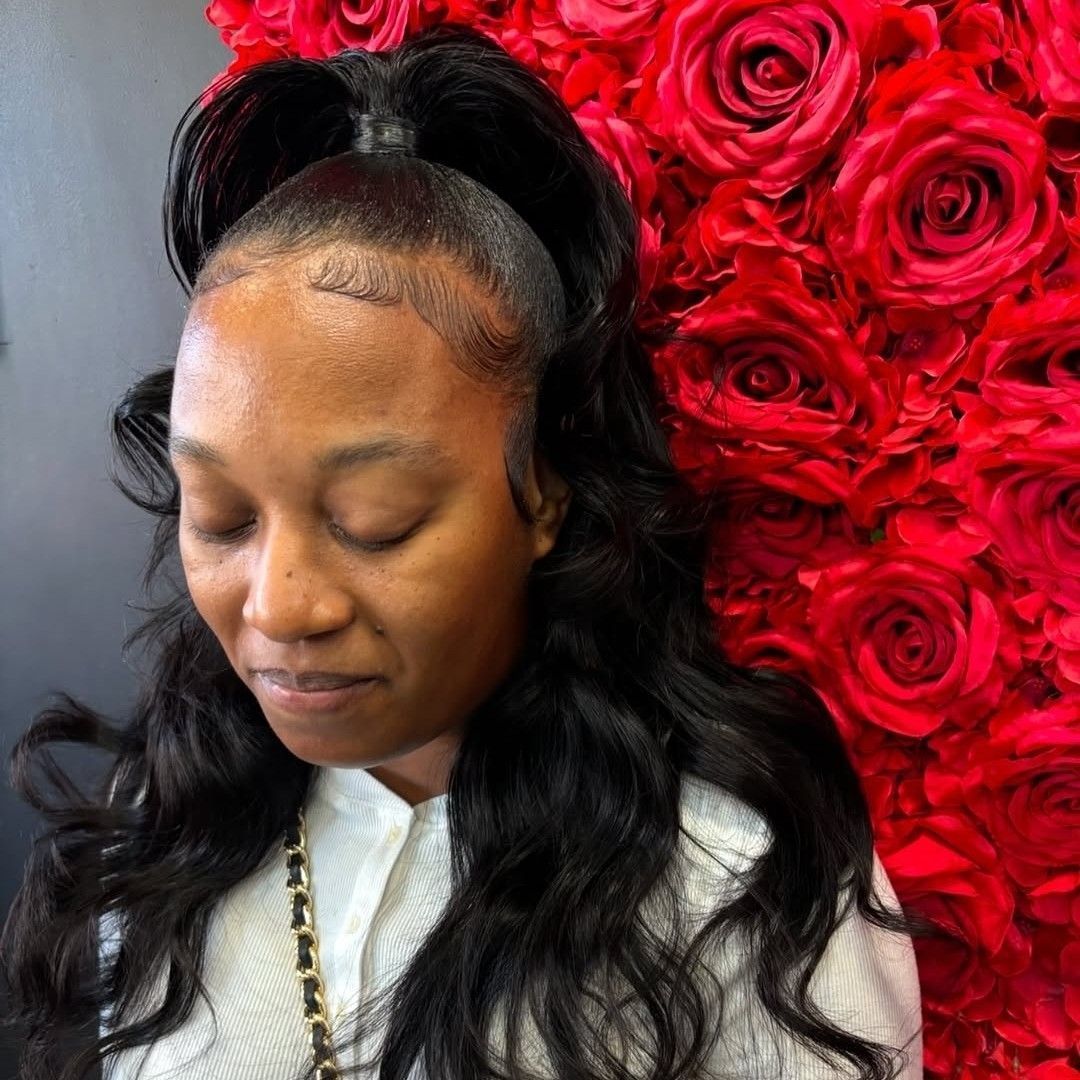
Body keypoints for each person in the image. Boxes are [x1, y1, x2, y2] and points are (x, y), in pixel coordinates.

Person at [1, 22, 944, 1080]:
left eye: (375, 521)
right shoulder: (166, 822)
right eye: (221, 515)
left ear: (543, 491)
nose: (277, 607)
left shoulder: (735, 885)